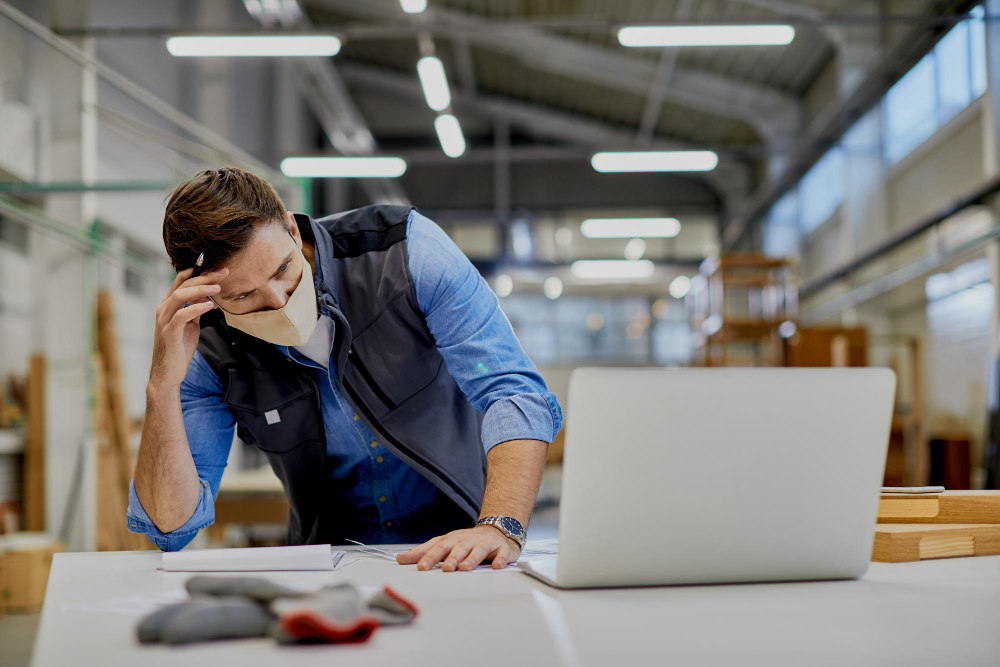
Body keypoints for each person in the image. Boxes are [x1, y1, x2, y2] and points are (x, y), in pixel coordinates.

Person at [127, 167, 561, 571]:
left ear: (292, 230)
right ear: (201, 295)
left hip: (464, 549)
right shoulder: (208, 347)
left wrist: (499, 524)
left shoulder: (406, 254)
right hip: (333, 567)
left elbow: (512, 392)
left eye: (283, 269)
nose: (279, 299)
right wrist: (162, 386)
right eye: (243, 296)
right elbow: (172, 527)